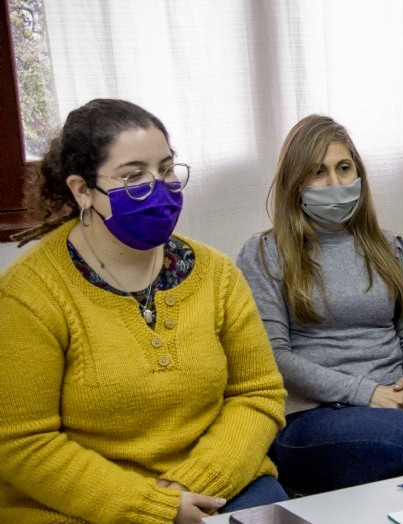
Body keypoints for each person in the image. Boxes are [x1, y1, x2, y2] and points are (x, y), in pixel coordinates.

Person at [0, 99, 288, 524]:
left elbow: (257, 394)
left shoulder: (214, 274)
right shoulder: (31, 293)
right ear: (82, 190)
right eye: (133, 176)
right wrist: (152, 507)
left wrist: (192, 485)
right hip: (79, 506)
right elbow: (24, 443)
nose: (159, 187)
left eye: (167, 169)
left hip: (216, 487)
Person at [236, 115, 403, 495]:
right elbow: (274, 358)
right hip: (311, 419)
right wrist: (367, 393)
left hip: (398, 406)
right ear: (295, 184)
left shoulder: (390, 246)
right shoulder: (265, 253)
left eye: (344, 168)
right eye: (318, 172)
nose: (335, 183)